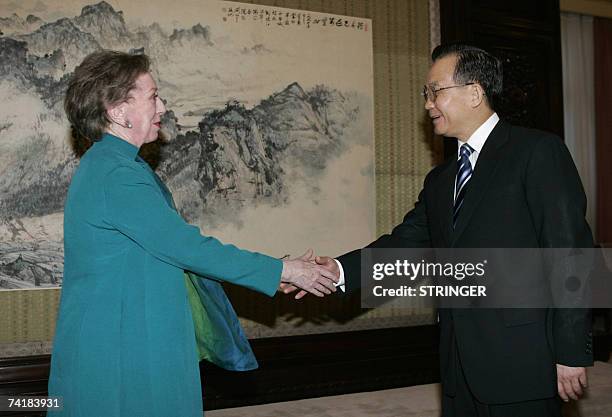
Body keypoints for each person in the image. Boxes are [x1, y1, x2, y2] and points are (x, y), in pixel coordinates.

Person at [308, 43, 594, 416]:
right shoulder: (441, 179)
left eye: (435, 91)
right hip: (458, 361)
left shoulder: (537, 152)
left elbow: (569, 252)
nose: (427, 104)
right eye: (425, 94)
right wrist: (340, 270)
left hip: (524, 356)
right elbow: (407, 243)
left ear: (474, 93)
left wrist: (571, 350)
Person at [48, 50, 338, 417]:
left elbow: (169, 246)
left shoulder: (111, 165)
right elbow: (186, 247)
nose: (163, 106)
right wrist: (285, 271)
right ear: (118, 110)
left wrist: (275, 267)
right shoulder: (116, 173)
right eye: (153, 96)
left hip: (125, 334)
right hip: (123, 344)